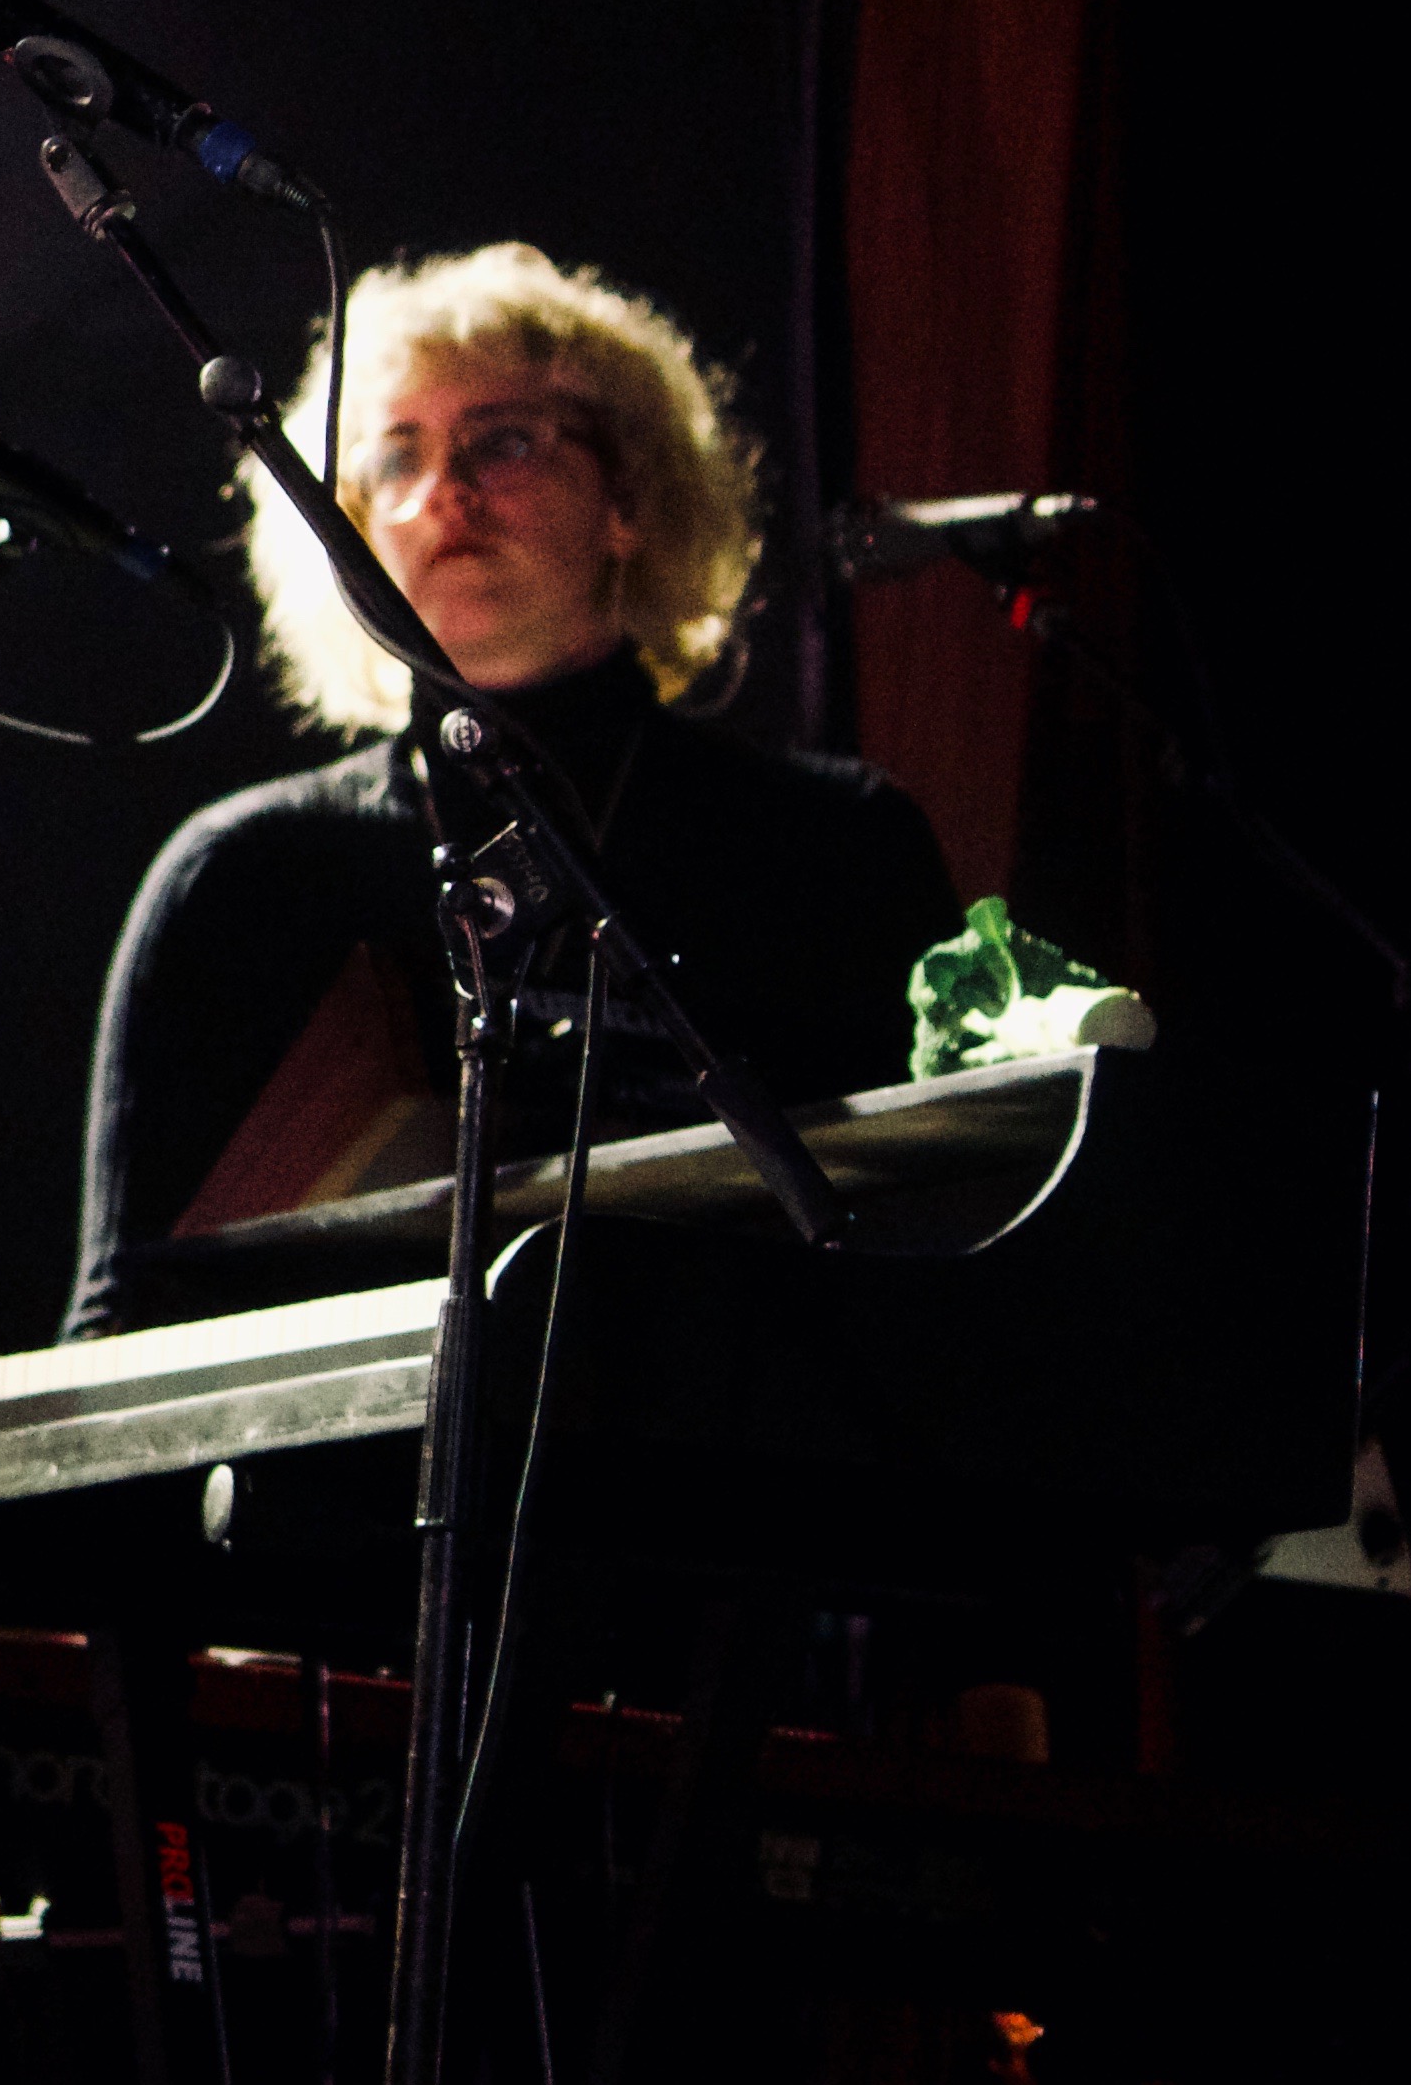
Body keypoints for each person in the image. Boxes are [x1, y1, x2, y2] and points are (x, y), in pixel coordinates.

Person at [65, 242, 959, 1335]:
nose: (445, 493)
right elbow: (127, 1315)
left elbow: (934, 1253)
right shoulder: (242, 879)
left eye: (502, 443)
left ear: (627, 497)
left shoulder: (837, 844)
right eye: (394, 460)